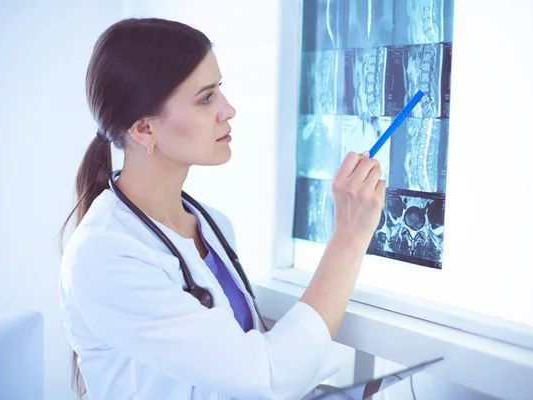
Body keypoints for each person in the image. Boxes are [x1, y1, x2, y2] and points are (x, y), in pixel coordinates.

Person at [59, 17, 386, 400]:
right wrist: (348, 237)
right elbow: (266, 377)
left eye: (220, 91)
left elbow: (239, 375)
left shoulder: (211, 225)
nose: (228, 110)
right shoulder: (106, 254)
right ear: (144, 130)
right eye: (206, 98)